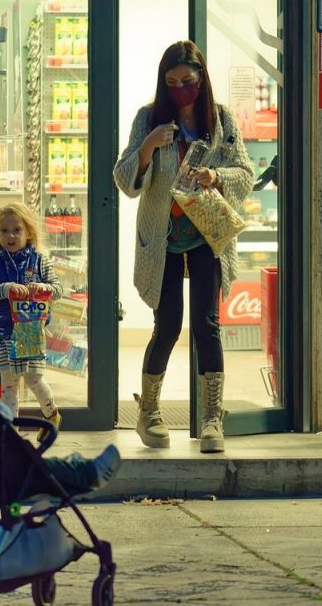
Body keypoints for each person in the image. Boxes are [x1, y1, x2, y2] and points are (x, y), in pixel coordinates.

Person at [113, 40, 253, 453]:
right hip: (164, 239)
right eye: (172, 83)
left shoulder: (220, 119)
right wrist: (148, 146)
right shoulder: (148, 118)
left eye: (187, 81)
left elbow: (245, 173)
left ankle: (212, 418)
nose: (181, 90)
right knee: (169, 324)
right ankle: (149, 411)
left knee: (207, 326)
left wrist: (217, 177)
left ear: (201, 79)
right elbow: (124, 179)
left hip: (207, 235)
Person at [0, 203, 64, 441]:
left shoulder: (40, 262)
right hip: (4, 333)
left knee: (34, 378)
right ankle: (11, 434)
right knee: (9, 384)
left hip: (30, 331)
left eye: (17, 230)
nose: (11, 236)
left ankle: (52, 415)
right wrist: (6, 288)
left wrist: (43, 288)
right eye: (4, 230)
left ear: (29, 232)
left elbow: (58, 290)